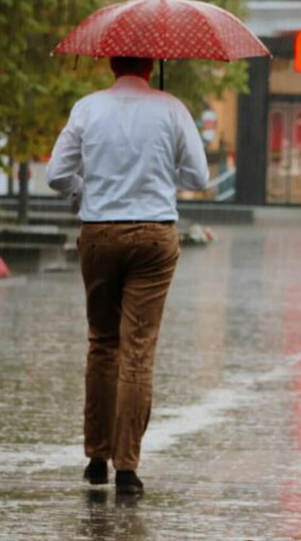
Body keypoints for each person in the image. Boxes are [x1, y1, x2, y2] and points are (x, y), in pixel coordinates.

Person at [46, 56, 209, 495]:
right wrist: (158, 169)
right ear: (153, 64)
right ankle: (127, 470)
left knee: (103, 343)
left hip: (99, 234)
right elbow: (199, 174)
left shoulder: (87, 108)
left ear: (111, 63)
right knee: (137, 350)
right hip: (154, 236)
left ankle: (96, 457)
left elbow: (56, 174)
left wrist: (83, 189)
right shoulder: (172, 108)